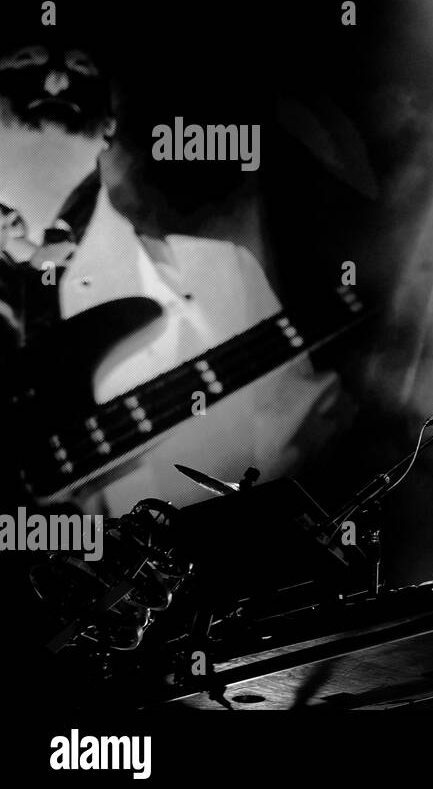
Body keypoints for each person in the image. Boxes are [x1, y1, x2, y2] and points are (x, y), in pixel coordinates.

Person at [0, 35, 350, 517]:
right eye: (24, 66)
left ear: (109, 126)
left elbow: (303, 443)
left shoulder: (221, 273)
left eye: (80, 72)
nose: (58, 80)